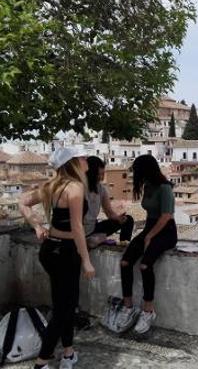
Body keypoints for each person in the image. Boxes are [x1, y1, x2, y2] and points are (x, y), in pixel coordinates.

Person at [18, 147, 96, 369]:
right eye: (82, 157)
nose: (86, 159)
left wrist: (36, 226)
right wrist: (87, 260)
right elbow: (78, 227)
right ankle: (42, 361)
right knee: (63, 310)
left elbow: (23, 202)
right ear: (72, 163)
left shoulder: (53, 186)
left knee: (65, 304)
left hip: (50, 251)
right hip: (66, 252)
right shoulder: (75, 188)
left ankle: (69, 353)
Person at [115, 154, 177, 334]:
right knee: (125, 262)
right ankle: (128, 307)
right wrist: (147, 235)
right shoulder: (148, 186)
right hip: (150, 228)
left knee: (145, 265)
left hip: (166, 231)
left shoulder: (165, 188)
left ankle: (148, 310)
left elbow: (166, 216)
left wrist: (150, 236)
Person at [84, 156, 134, 247]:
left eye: (103, 174)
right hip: (80, 230)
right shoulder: (79, 188)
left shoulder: (101, 189)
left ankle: (123, 245)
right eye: (98, 174)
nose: (101, 177)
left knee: (128, 220)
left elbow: (109, 212)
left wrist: (119, 218)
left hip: (93, 228)